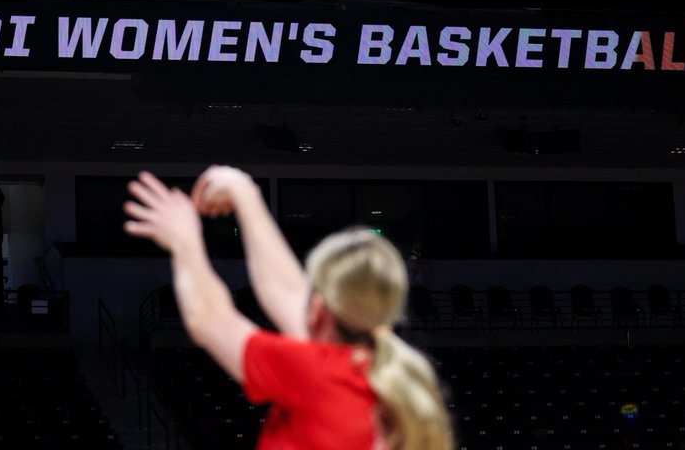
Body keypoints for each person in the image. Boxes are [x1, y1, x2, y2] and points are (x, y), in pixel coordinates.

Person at [122, 165, 455, 450]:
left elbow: (208, 319)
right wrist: (243, 193)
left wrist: (184, 239)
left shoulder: (317, 375)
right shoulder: (388, 375)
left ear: (320, 306)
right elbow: (285, 292)